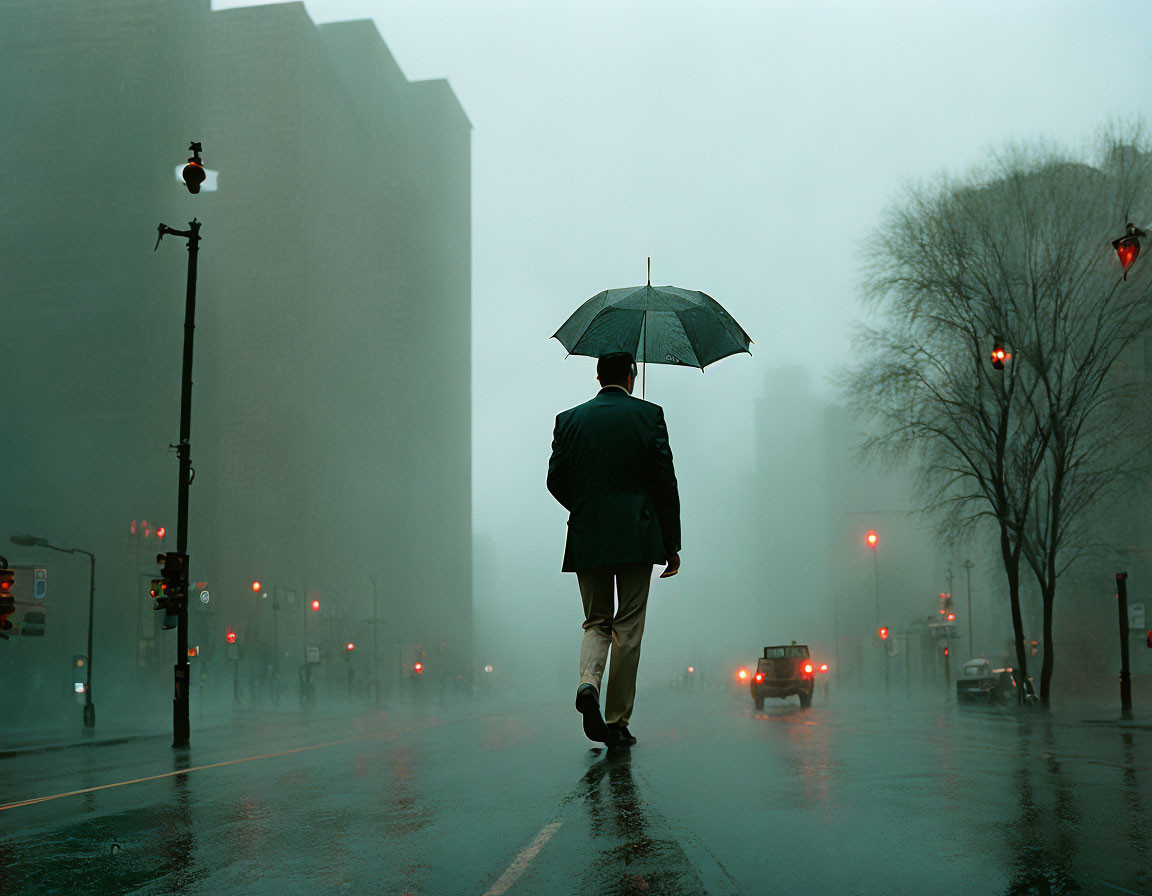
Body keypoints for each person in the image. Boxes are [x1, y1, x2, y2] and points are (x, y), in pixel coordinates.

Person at [547, 351, 681, 747]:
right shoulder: (650, 415)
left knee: (596, 620)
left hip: (588, 535)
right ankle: (617, 721)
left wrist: (587, 508)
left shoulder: (568, 421)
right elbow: (665, 482)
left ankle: (588, 682)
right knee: (628, 626)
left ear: (597, 374)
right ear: (631, 375)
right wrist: (671, 544)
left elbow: (555, 481)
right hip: (638, 535)